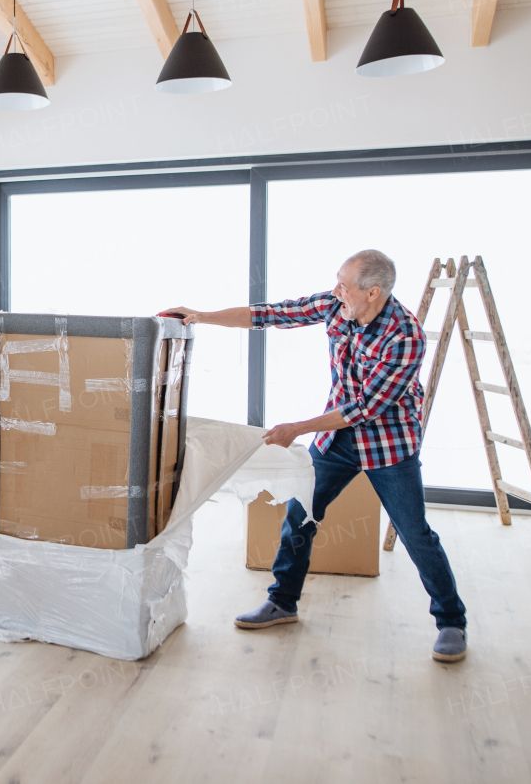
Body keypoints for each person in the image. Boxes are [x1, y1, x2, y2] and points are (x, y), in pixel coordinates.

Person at [161, 249, 468, 663]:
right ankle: (283, 602)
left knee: (415, 534)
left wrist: (297, 429)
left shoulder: (405, 335)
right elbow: (270, 314)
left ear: (372, 292)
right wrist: (201, 315)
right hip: (337, 441)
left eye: (345, 283)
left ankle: (451, 621)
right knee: (300, 514)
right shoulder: (336, 305)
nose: (336, 288)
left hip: (389, 443)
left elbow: (366, 408)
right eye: (338, 280)